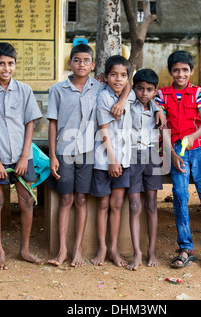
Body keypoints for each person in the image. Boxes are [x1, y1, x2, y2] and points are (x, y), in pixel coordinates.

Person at [45, 44, 128, 267]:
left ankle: (77, 250)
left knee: (81, 199)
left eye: (86, 61)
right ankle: (62, 250)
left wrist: (121, 101)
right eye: (77, 60)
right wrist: (52, 155)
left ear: (92, 65)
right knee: (66, 199)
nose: (81, 64)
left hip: (88, 152)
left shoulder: (99, 87)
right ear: (70, 63)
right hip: (64, 151)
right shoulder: (57, 90)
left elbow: (126, 82)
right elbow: (52, 124)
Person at [0, 42, 43, 270]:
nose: (6, 68)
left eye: (10, 63)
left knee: (27, 201)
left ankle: (24, 250)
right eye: (1, 64)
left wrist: (25, 156)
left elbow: (29, 123)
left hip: (21, 155)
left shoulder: (24, 90)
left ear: (15, 64)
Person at [156, 50, 201, 269]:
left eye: (185, 70)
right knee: (180, 196)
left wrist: (192, 136)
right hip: (176, 151)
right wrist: (172, 153)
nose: (180, 74)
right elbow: (161, 126)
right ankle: (185, 247)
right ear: (171, 72)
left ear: (191, 71)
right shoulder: (162, 95)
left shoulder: (198, 92)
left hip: (200, 149)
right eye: (176, 70)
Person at [90, 55, 135, 267]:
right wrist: (112, 160)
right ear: (105, 76)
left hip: (124, 159)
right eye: (113, 75)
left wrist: (123, 98)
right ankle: (102, 247)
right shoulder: (102, 98)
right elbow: (103, 129)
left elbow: (130, 85)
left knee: (117, 204)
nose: (118, 79)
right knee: (104, 204)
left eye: (123, 75)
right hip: (105, 158)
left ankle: (114, 249)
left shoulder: (131, 95)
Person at [126, 69, 166, 271]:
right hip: (132, 156)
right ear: (134, 89)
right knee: (134, 205)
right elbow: (122, 87)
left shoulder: (158, 107)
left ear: (155, 91)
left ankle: (151, 250)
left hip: (152, 156)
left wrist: (158, 107)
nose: (144, 93)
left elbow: (159, 104)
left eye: (149, 90)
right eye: (140, 88)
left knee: (151, 203)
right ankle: (137, 253)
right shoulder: (127, 103)